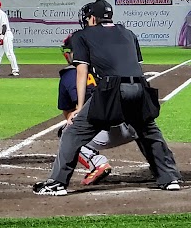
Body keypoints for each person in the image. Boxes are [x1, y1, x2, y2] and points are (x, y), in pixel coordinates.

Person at [33, 0, 182, 196]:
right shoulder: (128, 33)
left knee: (72, 132)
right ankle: (170, 178)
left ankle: (57, 183)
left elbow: (82, 72)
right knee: (148, 131)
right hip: (140, 86)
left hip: (112, 90)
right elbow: (137, 65)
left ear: (92, 18)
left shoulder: (81, 35)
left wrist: (79, 106)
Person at [57, 32, 139, 185]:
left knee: (66, 132)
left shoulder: (68, 76)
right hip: (134, 127)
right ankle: (160, 167)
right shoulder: (107, 67)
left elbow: (69, 114)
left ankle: (97, 162)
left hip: (104, 132)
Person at [0, 0, 19, 76]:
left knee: (9, 53)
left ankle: (15, 70)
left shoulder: (2, 14)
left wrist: (1, 37)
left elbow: (4, 26)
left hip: (6, 35)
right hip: (0, 35)